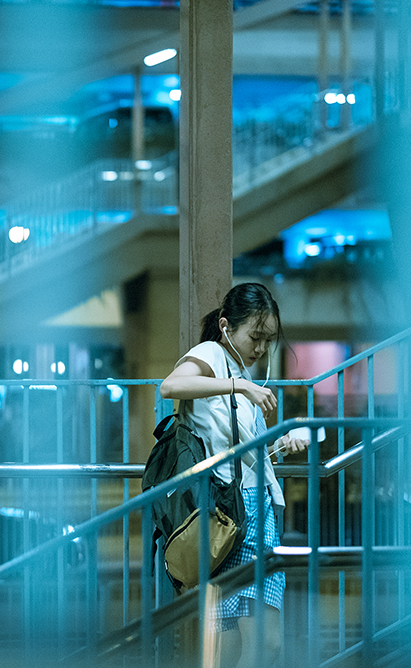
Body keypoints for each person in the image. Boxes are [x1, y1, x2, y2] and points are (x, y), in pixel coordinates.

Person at [159, 282, 309, 668]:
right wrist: (240, 385)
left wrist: (281, 442)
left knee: (226, 650)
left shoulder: (242, 376)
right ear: (226, 327)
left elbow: (244, 457)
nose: (261, 348)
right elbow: (170, 386)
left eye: (268, 340)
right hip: (235, 515)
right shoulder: (214, 355)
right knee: (265, 643)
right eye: (255, 337)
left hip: (236, 515)